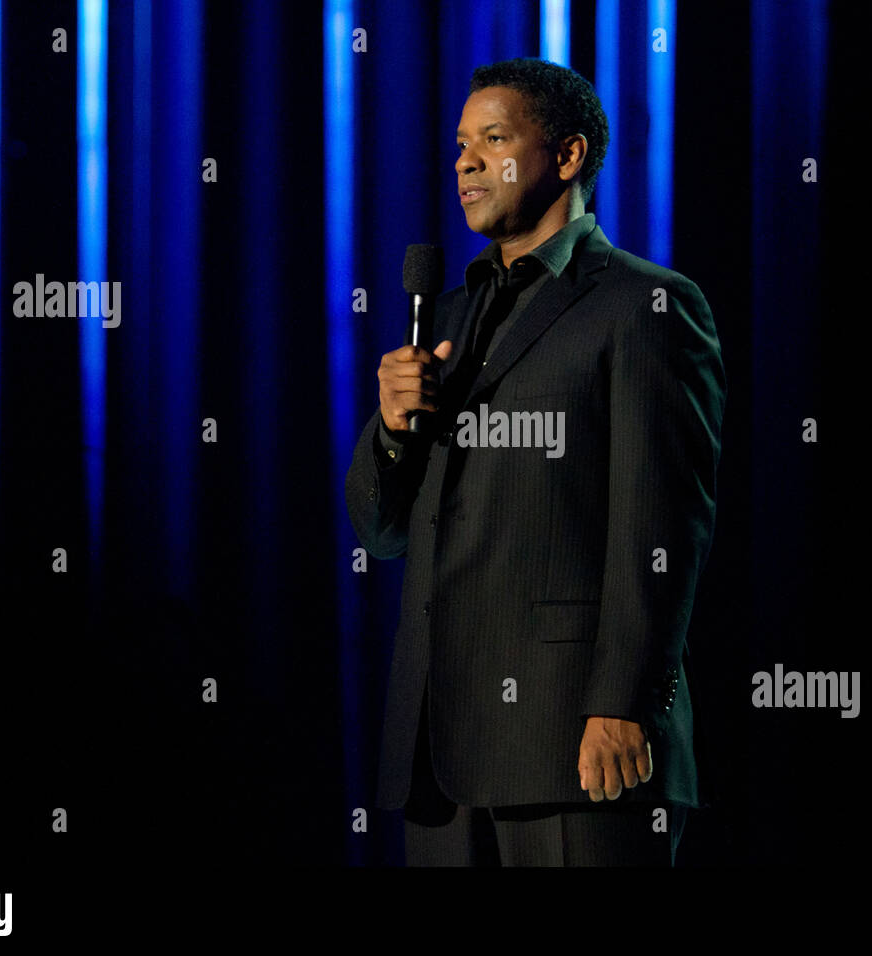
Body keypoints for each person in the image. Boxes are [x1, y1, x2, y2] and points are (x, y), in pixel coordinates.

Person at [345, 57, 725, 866]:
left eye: (493, 139)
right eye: (459, 145)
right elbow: (381, 532)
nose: (465, 162)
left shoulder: (644, 305)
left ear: (568, 154)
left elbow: (664, 526)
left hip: (575, 743)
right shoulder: (446, 317)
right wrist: (390, 425)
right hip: (438, 753)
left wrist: (624, 702)